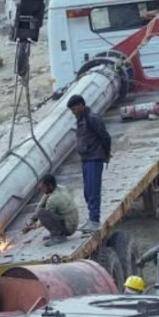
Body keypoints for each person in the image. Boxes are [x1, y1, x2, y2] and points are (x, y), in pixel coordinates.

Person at [67, 94, 110, 232]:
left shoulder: (92, 119)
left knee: (93, 191)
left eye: (74, 109)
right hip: (86, 159)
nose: (73, 112)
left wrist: (106, 154)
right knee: (87, 192)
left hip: (94, 158)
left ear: (81, 105)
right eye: (72, 110)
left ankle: (94, 220)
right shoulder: (81, 119)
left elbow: (105, 137)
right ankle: (91, 218)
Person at [21, 174, 78, 246]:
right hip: (72, 223)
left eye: (43, 187)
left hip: (68, 228)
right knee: (42, 211)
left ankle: (59, 236)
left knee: (42, 213)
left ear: (50, 186)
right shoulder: (60, 187)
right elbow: (41, 203)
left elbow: (42, 221)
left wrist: (30, 227)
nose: (41, 189)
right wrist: (32, 219)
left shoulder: (53, 199)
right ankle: (56, 233)